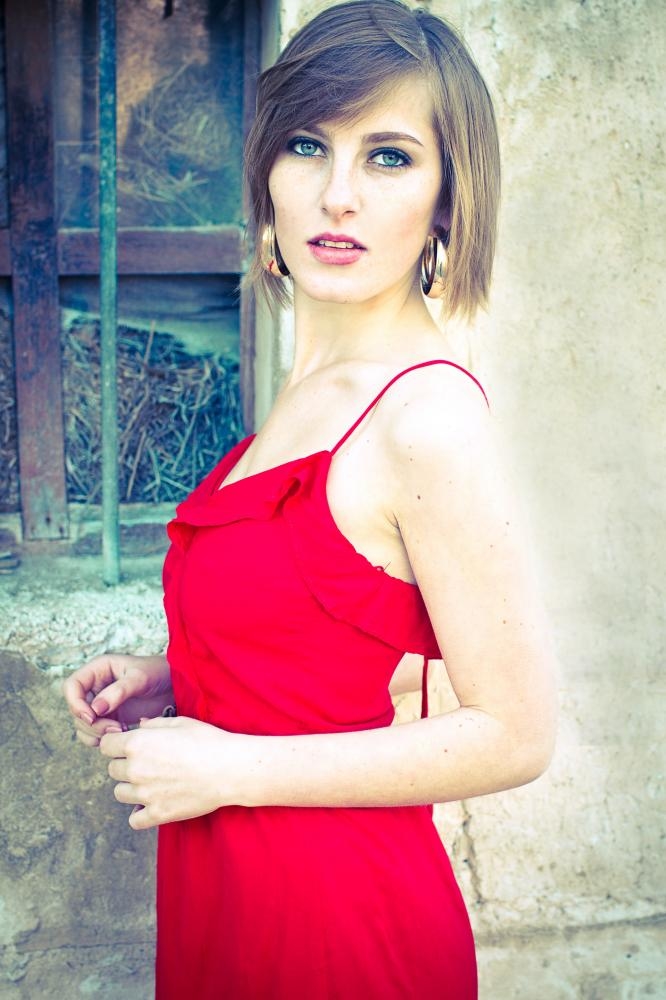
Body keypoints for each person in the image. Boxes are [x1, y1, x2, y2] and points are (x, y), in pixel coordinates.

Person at [64, 1, 557, 997]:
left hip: (342, 933)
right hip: (228, 908)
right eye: (307, 146)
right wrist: (180, 678)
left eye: (388, 158)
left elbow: (516, 734)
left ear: (448, 201)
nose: (338, 194)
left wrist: (233, 769)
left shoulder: (424, 418)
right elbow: (325, 640)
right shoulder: (307, 394)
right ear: (267, 176)